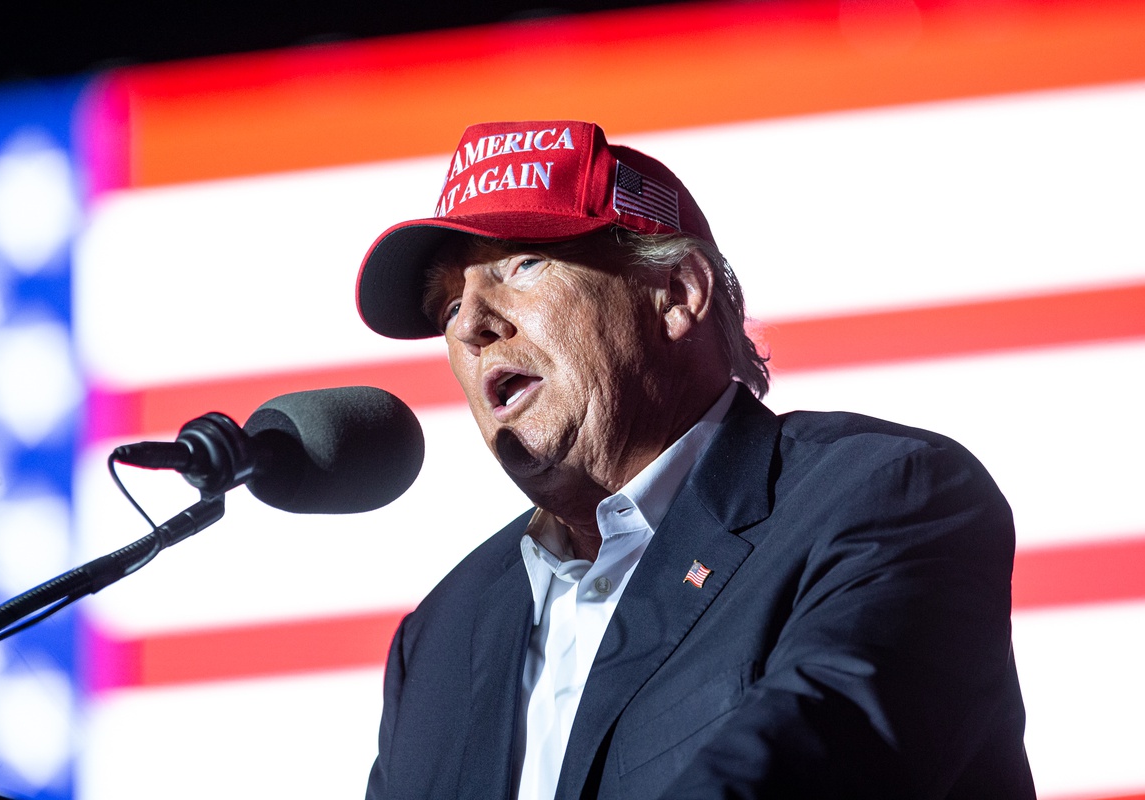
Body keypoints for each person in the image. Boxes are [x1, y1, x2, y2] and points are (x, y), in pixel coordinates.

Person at [354, 120, 1035, 799]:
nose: (472, 325)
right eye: (446, 306)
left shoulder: (885, 499)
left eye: (522, 266)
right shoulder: (438, 638)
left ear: (677, 294)